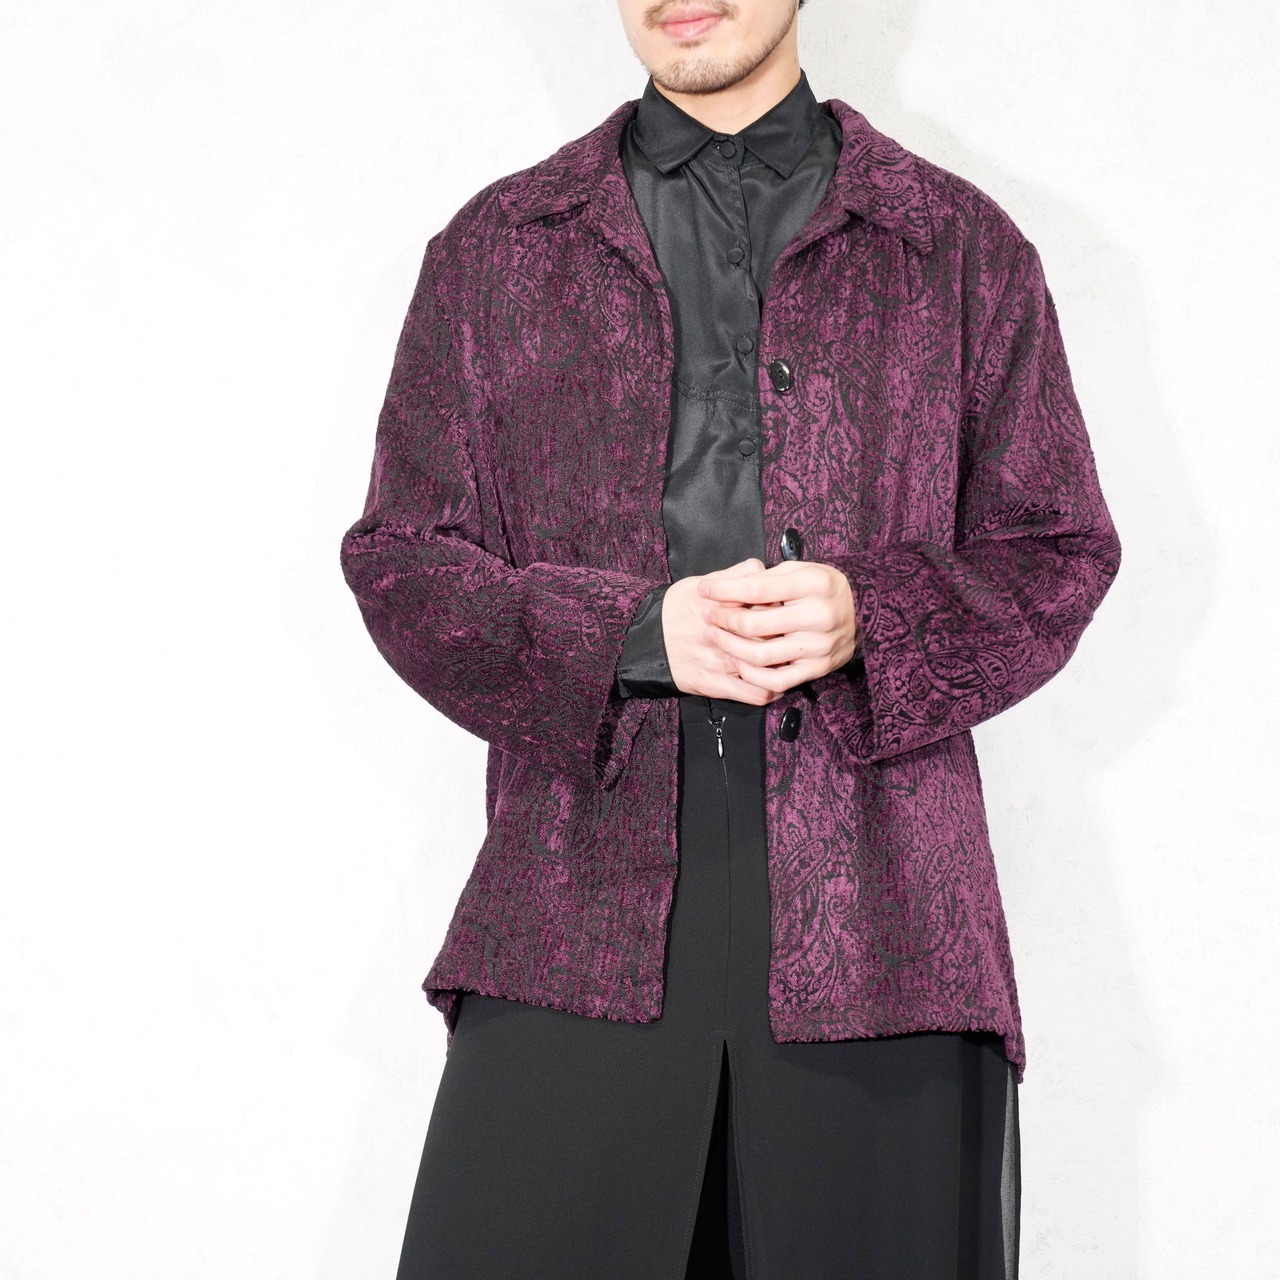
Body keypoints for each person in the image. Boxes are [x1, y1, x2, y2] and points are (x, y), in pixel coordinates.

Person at [338, 1, 1121, 1275]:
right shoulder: (497, 251)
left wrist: (872, 612)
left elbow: (1057, 548)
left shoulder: (955, 247)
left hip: (883, 918)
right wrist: (627, 632)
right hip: (572, 901)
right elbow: (402, 562)